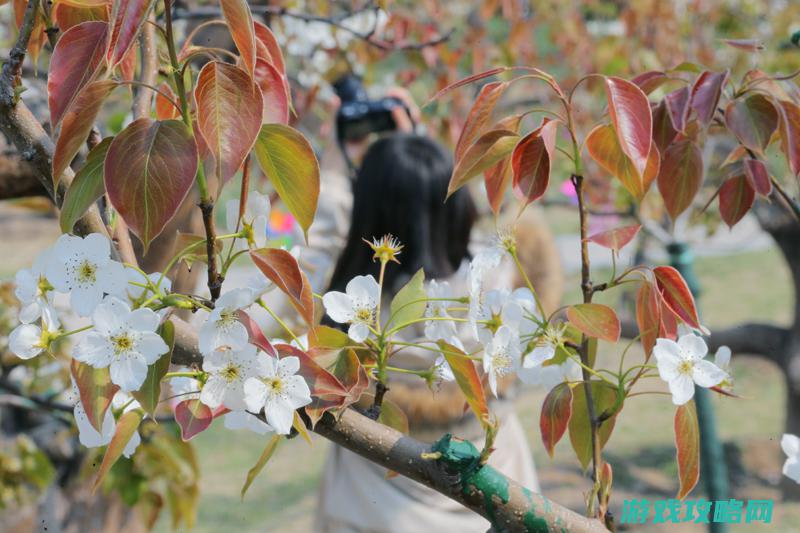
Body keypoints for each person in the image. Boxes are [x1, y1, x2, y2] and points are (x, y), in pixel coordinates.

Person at [314, 133, 539, 533]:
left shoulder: (352, 307)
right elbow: (448, 218)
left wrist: (336, 167)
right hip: (491, 482)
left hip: (374, 495)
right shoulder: (490, 287)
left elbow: (321, 241)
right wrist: (424, 158)